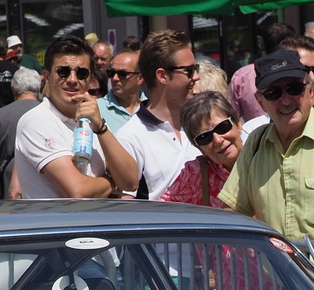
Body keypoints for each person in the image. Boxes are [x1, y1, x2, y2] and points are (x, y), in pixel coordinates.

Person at [221, 50, 314, 253]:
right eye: (273, 93)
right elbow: (233, 209)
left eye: (294, 89)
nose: (286, 100)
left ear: (311, 91)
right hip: (281, 282)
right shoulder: (255, 143)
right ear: (260, 101)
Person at [14, 36, 138, 201]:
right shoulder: (36, 120)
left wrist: (101, 127)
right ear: (47, 76)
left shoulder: (91, 122)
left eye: (81, 73)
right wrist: (112, 182)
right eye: (63, 71)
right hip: (60, 226)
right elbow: (78, 191)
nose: (72, 80)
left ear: (90, 79)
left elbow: (130, 181)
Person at [115, 29, 200, 201]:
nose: (196, 77)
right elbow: (127, 203)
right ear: (162, 76)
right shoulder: (130, 137)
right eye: (189, 70)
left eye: (196, 68)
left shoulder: (201, 124)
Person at [160, 92, 241, 208]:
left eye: (222, 127)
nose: (218, 140)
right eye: (205, 137)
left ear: (238, 123)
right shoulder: (195, 174)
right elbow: (163, 212)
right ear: (198, 146)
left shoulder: (265, 159)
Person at [0, 68, 43, 200]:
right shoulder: (49, 112)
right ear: (38, 88)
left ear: (13, 88)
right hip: (44, 183)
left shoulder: (0, 115)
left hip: (8, 187)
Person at [101, 49, 141, 133]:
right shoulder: (97, 109)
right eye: (111, 73)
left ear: (140, 78)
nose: (115, 78)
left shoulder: (151, 108)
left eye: (122, 74)